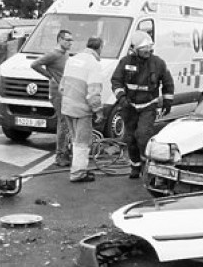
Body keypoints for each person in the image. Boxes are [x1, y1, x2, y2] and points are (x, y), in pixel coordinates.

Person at [111, 31, 174, 179]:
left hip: (148, 105)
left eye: (149, 48)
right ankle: (135, 167)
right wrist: (121, 97)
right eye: (143, 48)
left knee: (143, 136)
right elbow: (116, 81)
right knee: (130, 138)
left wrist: (167, 101)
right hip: (130, 106)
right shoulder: (125, 62)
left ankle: (148, 166)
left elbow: (168, 83)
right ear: (135, 49)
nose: (147, 51)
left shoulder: (158, 63)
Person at [60, 37, 105, 182]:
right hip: (81, 109)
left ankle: (77, 168)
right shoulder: (93, 64)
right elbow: (93, 92)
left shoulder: (72, 60)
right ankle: (78, 173)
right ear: (100, 48)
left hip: (67, 106)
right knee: (82, 142)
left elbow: (62, 86)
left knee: (75, 140)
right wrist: (98, 111)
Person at [31, 29, 73, 167]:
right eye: (67, 40)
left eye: (71, 40)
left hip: (65, 90)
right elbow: (35, 64)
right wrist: (50, 76)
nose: (70, 43)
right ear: (60, 39)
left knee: (66, 122)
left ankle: (64, 152)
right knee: (63, 122)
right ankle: (60, 155)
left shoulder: (65, 53)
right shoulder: (54, 53)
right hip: (57, 93)